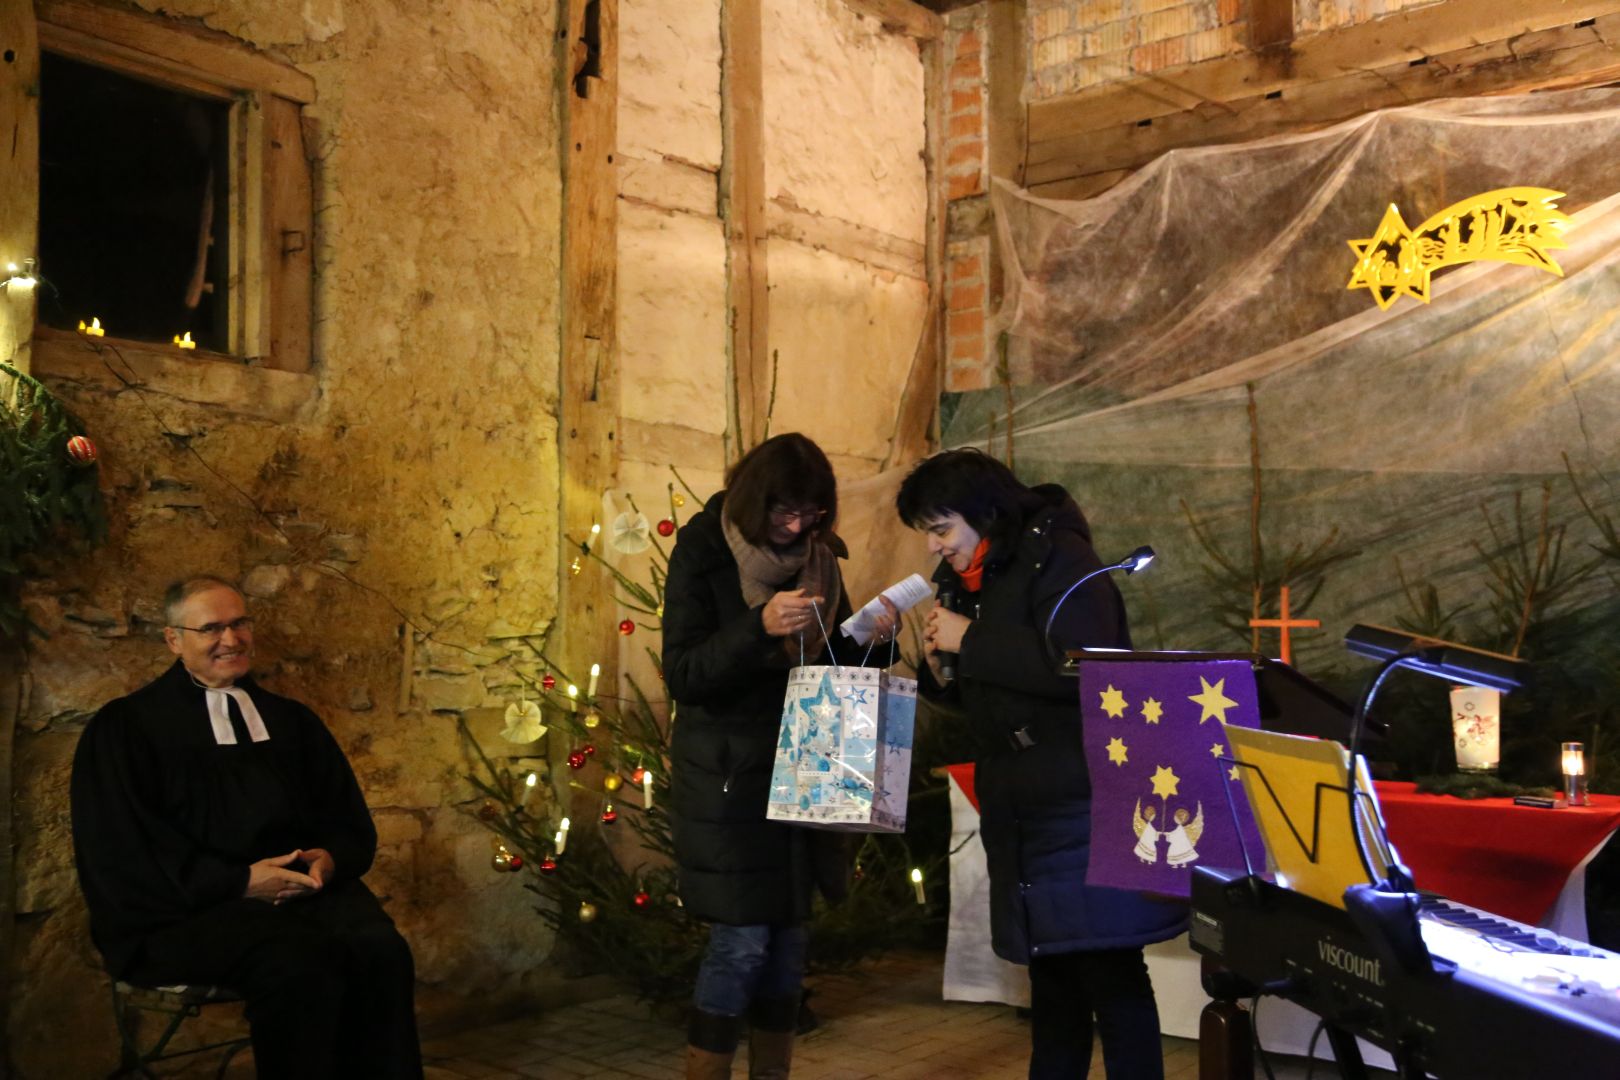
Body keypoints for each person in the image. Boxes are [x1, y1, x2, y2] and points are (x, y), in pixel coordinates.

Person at [896, 449, 1186, 1080]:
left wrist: (969, 640)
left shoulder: (1059, 557)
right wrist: (941, 669)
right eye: (928, 531)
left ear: (983, 512)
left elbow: (1088, 666)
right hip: (1023, 795)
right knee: (1053, 975)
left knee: (1109, 967)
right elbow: (991, 685)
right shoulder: (980, 574)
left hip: (1079, 789)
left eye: (941, 528)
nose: (933, 547)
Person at [70, 576, 423, 1080]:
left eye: (239, 623)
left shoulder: (292, 721)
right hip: (180, 912)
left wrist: (331, 857)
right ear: (174, 640)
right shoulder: (126, 728)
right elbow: (120, 851)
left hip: (299, 896)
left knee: (381, 950)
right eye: (210, 628)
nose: (230, 639)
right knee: (298, 961)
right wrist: (238, 882)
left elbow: (346, 819)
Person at [664, 433, 896, 1080]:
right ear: (754, 502)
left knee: (790, 946)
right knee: (740, 943)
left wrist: (875, 641)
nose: (797, 527)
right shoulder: (703, 550)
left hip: (808, 768)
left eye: (811, 514)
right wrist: (756, 628)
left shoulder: (821, 561)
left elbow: (837, 663)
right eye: (783, 513)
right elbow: (682, 673)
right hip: (730, 778)